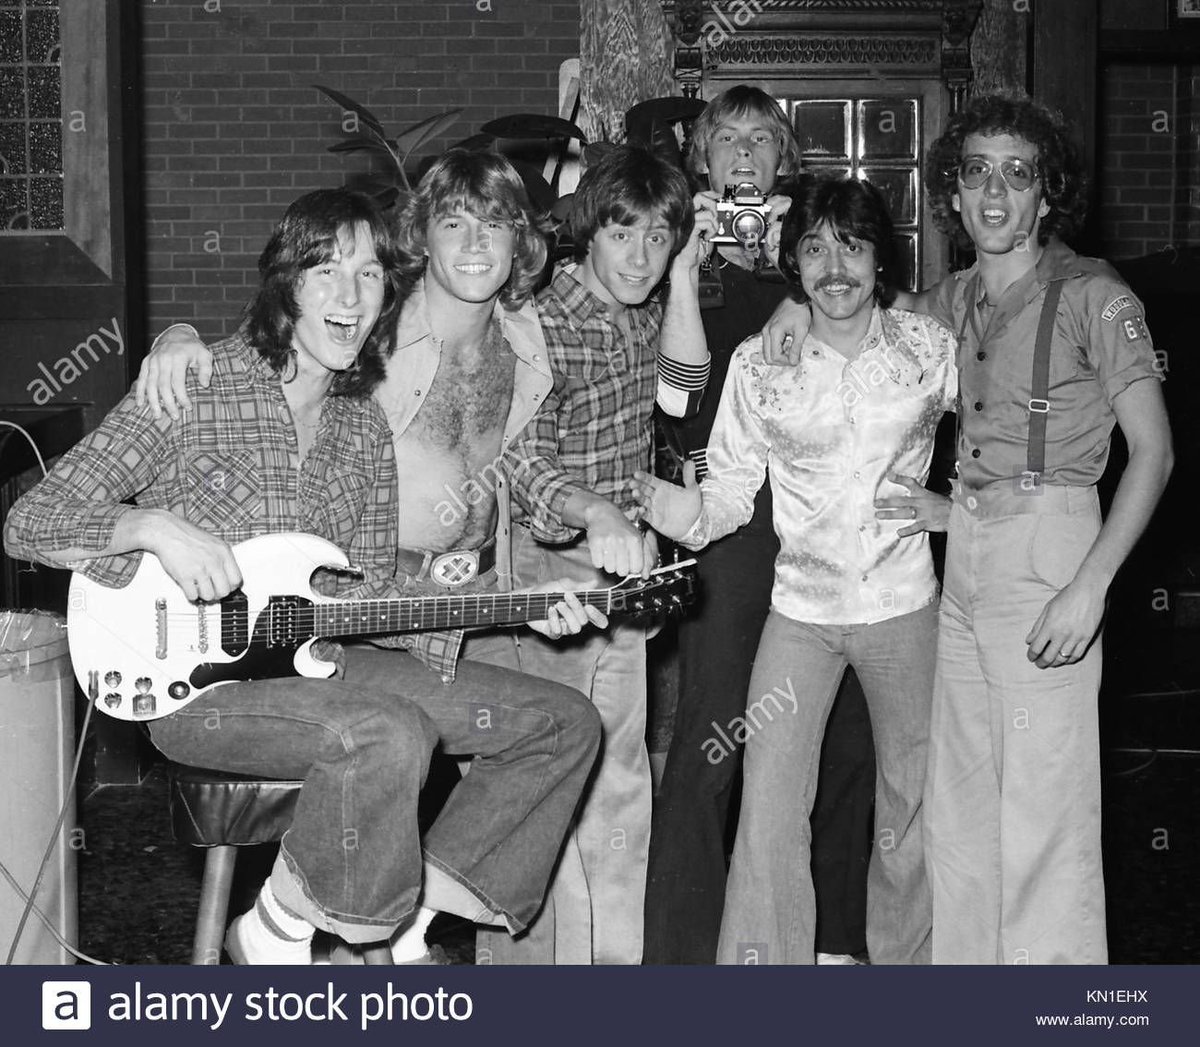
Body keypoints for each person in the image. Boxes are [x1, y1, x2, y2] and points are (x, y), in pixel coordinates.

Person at [6, 187, 603, 964]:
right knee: (389, 732)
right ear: (287, 284)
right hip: (195, 691)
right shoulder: (196, 385)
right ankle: (319, 933)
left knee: (564, 722)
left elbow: (370, 595)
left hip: (312, 661)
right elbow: (30, 521)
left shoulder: (361, 428)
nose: (350, 296)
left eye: (369, 275)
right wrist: (148, 527)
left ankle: (314, 922)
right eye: (327, 271)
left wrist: (519, 605)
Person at [762, 95, 1174, 964]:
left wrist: (1088, 587)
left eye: (1017, 175)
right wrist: (791, 308)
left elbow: (1156, 454)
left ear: (1045, 194)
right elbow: (856, 300)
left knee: (1044, 814)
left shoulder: (1095, 295)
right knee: (959, 807)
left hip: (1056, 555)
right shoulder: (947, 303)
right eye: (977, 171)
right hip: (967, 566)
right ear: (953, 192)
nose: (995, 192)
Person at [635, 175, 956, 964]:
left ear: (883, 258)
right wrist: (678, 512)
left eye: (852, 244)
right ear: (793, 265)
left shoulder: (930, 349)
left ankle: (909, 969)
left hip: (903, 604)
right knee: (771, 805)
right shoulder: (758, 365)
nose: (834, 266)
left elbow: (997, 436)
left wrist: (960, 507)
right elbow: (732, 495)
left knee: (912, 800)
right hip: (802, 613)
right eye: (813, 248)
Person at [644, 84, 877, 965]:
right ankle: (681, 954)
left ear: (785, 157)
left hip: (829, 512)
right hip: (729, 518)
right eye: (726, 138)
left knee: (847, 729)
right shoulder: (681, 250)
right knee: (714, 730)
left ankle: (836, 943)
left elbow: (884, 326)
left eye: (761, 139)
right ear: (700, 156)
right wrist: (684, 273)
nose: (743, 151)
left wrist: (799, 294)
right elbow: (678, 399)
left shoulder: (819, 243)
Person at [488, 143, 711, 965]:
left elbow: (681, 392)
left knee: (618, 789)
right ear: (589, 232)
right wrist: (594, 512)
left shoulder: (644, 307)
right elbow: (518, 453)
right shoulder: (542, 316)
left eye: (660, 237)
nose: (641, 257)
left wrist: (685, 272)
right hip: (548, 575)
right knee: (542, 789)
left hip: (623, 581)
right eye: (624, 235)